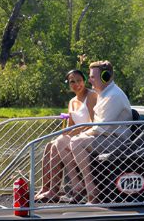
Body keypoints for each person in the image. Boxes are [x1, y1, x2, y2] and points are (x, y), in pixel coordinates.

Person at [66, 60, 132, 204]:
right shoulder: (103, 93)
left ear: (106, 77)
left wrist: (80, 135)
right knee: (66, 142)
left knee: (77, 142)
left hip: (118, 142)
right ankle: (70, 188)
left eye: (93, 77)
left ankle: (91, 190)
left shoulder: (113, 96)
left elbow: (101, 128)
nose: (89, 80)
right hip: (106, 138)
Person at [35, 69, 98, 203]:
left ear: (84, 80)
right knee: (50, 145)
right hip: (76, 136)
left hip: (89, 136)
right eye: (72, 82)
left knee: (58, 143)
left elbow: (94, 123)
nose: (76, 84)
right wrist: (65, 132)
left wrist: (74, 131)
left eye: (79, 81)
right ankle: (49, 188)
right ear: (68, 84)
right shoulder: (72, 102)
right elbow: (70, 125)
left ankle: (64, 188)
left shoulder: (91, 96)